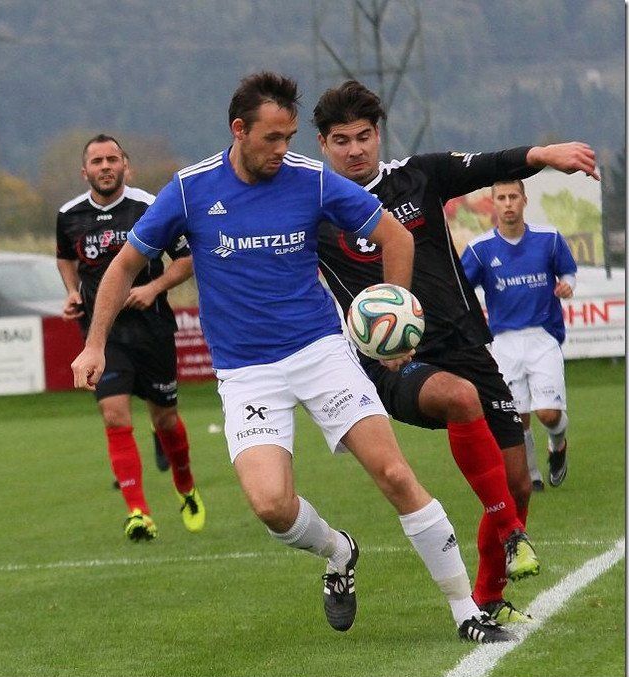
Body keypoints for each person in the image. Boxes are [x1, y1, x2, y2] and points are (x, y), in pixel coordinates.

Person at [71, 72, 513, 643]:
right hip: (246, 373)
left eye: (289, 137)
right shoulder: (189, 189)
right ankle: (338, 550)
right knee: (271, 506)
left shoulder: (311, 180)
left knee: (394, 473)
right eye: (272, 138)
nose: (283, 149)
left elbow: (396, 237)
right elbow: (124, 267)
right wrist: (94, 344)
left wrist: (394, 314)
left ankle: (465, 611)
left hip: (321, 353)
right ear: (239, 130)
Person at [311, 79, 598, 623]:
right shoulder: (312, 208)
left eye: (364, 136)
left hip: (466, 345)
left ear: (378, 135)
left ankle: (490, 599)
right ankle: (512, 534)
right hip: (392, 362)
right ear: (323, 144)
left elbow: (489, 164)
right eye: (341, 140)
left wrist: (544, 154)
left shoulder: (418, 176)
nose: (354, 150)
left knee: (518, 483)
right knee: (459, 397)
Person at [56, 134, 204, 541]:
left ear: (126, 166)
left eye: (112, 159)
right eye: (97, 161)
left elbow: (187, 259)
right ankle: (138, 512)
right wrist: (71, 292)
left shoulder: (150, 207)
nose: (105, 166)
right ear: (84, 171)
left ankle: (186, 487)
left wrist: (153, 288)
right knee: (114, 415)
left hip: (152, 330)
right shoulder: (68, 215)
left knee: (166, 420)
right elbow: (65, 258)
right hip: (102, 336)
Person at [462, 179, 577, 491]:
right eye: (501, 198)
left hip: (543, 337)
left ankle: (558, 444)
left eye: (513, 196)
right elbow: (461, 289)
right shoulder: (480, 248)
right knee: (517, 417)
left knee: (549, 414)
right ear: (493, 203)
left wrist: (567, 285)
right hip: (503, 342)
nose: (508, 203)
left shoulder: (548, 238)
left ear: (524, 200)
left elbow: (568, 271)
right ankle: (532, 476)